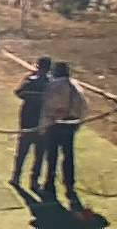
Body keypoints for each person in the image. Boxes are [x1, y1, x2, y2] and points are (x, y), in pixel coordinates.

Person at [40, 61, 87, 194]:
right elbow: (84, 106)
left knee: (52, 155)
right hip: (70, 124)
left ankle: (50, 183)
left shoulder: (53, 85)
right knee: (68, 155)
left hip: (55, 124)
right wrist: (78, 122)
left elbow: (48, 107)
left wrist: (44, 125)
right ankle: (69, 184)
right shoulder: (76, 86)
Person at [10, 56, 52, 187]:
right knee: (39, 154)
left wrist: (28, 78)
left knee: (23, 152)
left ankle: (16, 177)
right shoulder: (51, 84)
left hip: (28, 121)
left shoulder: (30, 81)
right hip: (43, 122)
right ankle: (34, 180)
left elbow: (18, 93)